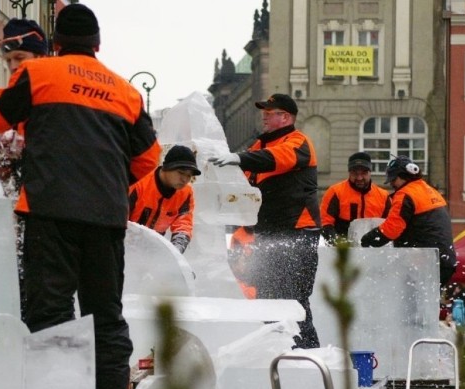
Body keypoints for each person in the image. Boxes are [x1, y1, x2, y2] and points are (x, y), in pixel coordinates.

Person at [0, 4, 161, 389]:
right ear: (98, 45)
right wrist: (107, 182)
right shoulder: (125, 92)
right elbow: (149, 157)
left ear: (55, 43)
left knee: (51, 311)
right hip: (106, 218)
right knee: (104, 315)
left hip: (51, 211)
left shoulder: (39, 74)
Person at [209, 93, 321, 348]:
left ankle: (309, 355)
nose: (264, 116)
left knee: (293, 300)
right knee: (268, 297)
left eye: (270, 113)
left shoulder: (298, 142)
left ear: (286, 117)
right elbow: (242, 183)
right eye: (265, 112)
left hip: (298, 233)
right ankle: (277, 352)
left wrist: (239, 158)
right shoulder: (259, 147)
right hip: (267, 234)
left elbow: (276, 159)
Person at [0, 18, 49, 320]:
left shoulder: (48, 98)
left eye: (20, 58)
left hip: (44, 213)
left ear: (39, 57)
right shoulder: (10, 104)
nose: (14, 66)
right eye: (9, 60)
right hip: (16, 214)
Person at [359, 155, 456, 288]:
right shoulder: (430, 191)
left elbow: (391, 229)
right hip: (444, 261)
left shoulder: (405, 194)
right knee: (427, 304)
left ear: (403, 176)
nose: (392, 184)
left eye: (394, 179)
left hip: (423, 261)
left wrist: (366, 241)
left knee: (409, 304)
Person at [128, 145, 198, 253]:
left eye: (189, 176)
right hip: (124, 243)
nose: (184, 179)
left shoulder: (186, 194)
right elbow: (118, 219)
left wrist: (176, 251)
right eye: (181, 172)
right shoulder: (139, 183)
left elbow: (183, 225)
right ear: (167, 167)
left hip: (152, 251)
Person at [319, 151, 390, 245]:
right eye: (354, 173)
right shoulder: (335, 192)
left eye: (364, 173)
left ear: (370, 172)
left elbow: (391, 225)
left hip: (374, 250)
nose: (359, 178)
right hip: (342, 250)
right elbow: (325, 223)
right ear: (349, 173)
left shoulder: (384, 196)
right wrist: (338, 243)